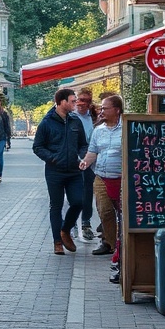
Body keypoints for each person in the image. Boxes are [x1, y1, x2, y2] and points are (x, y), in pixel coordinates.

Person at [32, 87, 88, 255]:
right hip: (54, 171)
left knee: (78, 202)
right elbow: (37, 147)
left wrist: (83, 157)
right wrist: (53, 158)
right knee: (55, 206)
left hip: (74, 171)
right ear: (62, 102)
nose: (75, 103)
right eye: (72, 101)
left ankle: (65, 230)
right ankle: (57, 241)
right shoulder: (47, 123)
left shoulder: (75, 121)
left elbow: (83, 143)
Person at [81, 93, 124, 282]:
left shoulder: (126, 128)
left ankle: (123, 245)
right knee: (105, 212)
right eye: (101, 108)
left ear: (117, 110)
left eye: (105, 108)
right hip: (101, 177)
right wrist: (85, 162)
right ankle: (109, 243)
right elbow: (93, 151)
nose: (101, 111)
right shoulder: (99, 130)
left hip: (122, 178)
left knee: (123, 214)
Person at [73, 88, 100, 242]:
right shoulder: (70, 116)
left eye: (86, 100)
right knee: (74, 193)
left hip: (91, 159)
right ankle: (73, 223)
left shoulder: (94, 117)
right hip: (74, 158)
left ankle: (86, 223)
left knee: (87, 191)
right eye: (80, 99)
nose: (82, 103)